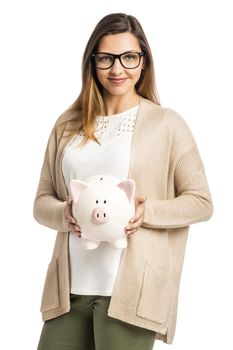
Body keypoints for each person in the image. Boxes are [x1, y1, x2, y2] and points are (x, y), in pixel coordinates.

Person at [33, 13, 213, 350]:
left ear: (143, 61)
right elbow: (41, 202)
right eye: (106, 58)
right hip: (68, 290)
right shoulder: (67, 125)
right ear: (92, 62)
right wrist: (65, 213)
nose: (118, 69)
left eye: (129, 57)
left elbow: (201, 201)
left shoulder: (167, 125)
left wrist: (147, 212)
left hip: (130, 293)